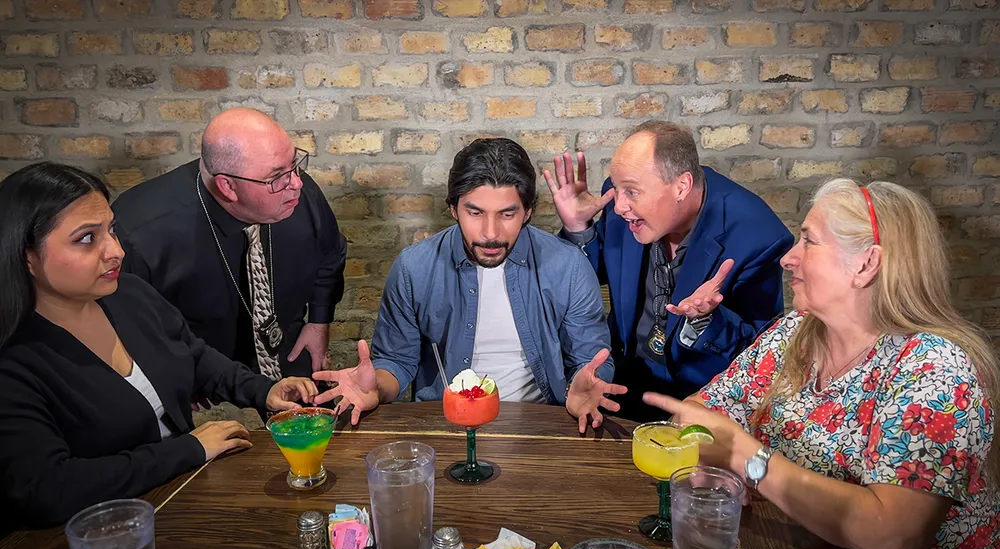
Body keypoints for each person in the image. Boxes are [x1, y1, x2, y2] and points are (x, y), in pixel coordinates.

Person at [645, 179, 1000, 549]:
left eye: (809, 241)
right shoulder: (796, 331)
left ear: (867, 264)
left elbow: (893, 539)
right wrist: (713, 461)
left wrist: (747, 458)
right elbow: (698, 414)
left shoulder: (936, 370)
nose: (788, 258)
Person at [0, 163, 327, 530]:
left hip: (177, 500)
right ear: (26, 255)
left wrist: (264, 391)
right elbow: (46, 490)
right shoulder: (13, 360)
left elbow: (192, 355)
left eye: (111, 230)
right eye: (87, 239)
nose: (115, 251)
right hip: (93, 540)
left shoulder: (127, 293)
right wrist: (188, 449)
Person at [312, 138, 623, 432]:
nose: (490, 232)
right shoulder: (413, 267)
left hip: (541, 424)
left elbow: (589, 357)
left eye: (507, 213)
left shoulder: (567, 265)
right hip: (445, 424)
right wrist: (375, 387)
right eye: (475, 212)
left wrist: (585, 380)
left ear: (527, 212)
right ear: (453, 210)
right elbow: (396, 361)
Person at [545, 120, 793, 421]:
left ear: (682, 186)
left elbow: (762, 358)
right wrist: (577, 228)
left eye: (632, 192)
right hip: (624, 381)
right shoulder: (621, 198)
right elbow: (597, 272)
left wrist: (706, 320)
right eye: (618, 189)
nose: (619, 205)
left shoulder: (758, 236)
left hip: (700, 398)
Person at [112, 108, 347, 386]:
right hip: (195, 358)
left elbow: (330, 253)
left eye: (294, 164)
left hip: (286, 339)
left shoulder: (295, 188)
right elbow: (123, 321)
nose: (296, 183)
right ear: (227, 187)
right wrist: (168, 369)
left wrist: (319, 322)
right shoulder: (140, 232)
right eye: (277, 177)